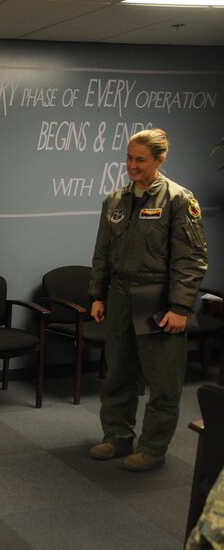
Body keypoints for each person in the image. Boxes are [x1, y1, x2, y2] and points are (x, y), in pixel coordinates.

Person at [88, 128, 208, 472]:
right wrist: (97, 294)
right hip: (119, 297)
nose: (132, 165)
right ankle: (116, 436)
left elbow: (192, 258)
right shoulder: (114, 200)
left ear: (160, 159)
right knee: (118, 373)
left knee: (163, 379)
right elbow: (102, 253)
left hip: (158, 298)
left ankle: (153, 447)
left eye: (140, 159)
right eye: (129, 157)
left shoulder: (179, 200)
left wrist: (181, 307)